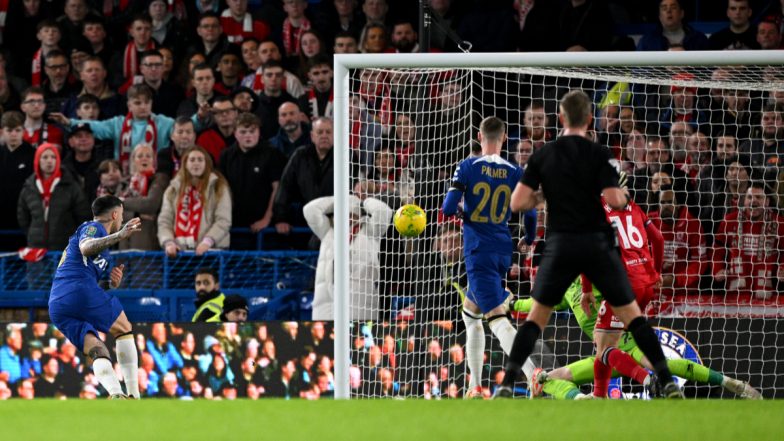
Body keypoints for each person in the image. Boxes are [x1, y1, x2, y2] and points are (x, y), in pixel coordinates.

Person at [494, 90, 681, 398]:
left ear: (561, 118)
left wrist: (547, 194)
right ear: (590, 119)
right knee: (634, 318)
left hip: (561, 246)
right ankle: (667, 380)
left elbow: (518, 203)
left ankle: (505, 383)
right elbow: (614, 200)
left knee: (535, 320)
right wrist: (616, 194)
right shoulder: (600, 153)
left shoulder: (544, 154)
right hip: (596, 247)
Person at [510, 278, 762, 400]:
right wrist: (511, 304)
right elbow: (536, 303)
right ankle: (580, 400)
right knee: (549, 378)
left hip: (629, 343)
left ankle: (731, 383)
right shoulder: (566, 289)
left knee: (659, 363)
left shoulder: (598, 276)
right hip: (604, 355)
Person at [441, 116, 526, 398]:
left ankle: (532, 372)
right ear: (504, 138)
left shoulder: (468, 166)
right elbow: (533, 211)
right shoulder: (515, 170)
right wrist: (531, 236)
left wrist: (465, 213)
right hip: (503, 248)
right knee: (470, 314)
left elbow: (447, 208)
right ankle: (475, 386)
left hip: (478, 251)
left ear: (479, 136)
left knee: (497, 319)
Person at [48, 195, 142, 399]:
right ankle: (134, 395)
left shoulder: (103, 252)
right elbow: (86, 247)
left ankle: (117, 395)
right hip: (77, 288)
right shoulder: (93, 227)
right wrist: (120, 235)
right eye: (122, 214)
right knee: (124, 328)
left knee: (97, 349)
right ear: (115, 214)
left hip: (58, 304)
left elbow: (96, 283)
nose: (122, 219)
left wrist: (111, 283)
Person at [304, 193, 393, 320]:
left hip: (360, 304)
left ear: (358, 215)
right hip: (326, 305)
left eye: (351, 214)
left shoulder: (370, 231)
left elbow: (383, 211)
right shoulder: (328, 232)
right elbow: (310, 210)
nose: (347, 218)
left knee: (358, 339)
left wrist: (363, 201)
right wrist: (339, 200)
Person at [219, 112, 287, 249]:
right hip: (234, 225)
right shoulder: (226, 156)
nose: (248, 135)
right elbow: (221, 188)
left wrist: (267, 219)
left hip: (265, 227)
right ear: (235, 133)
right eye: (243, 132)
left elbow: (277, 188)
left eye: (252, 131)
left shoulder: (272, 153)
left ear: (259, 132)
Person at [713, 182, 784, 299]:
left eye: (759, 197)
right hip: (734, 295)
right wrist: (718, 269)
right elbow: (717, 250)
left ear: (767, 202)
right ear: (744, 200)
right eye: (749, 197)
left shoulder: (780, 224)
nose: (753, 201)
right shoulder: (729, 221)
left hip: (768, 295)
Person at [157, 146, 232, 257]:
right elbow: (164, 220)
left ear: (207, 163)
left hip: (211, 251)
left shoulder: (218, 187)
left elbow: (223, 220)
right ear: (185, 164)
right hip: (179, 253)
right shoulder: (173, 189)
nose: (196, 163)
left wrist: (208, 242)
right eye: (192, 160)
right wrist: (168, 242)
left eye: (200, 160)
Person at [17, 143, 92, 252]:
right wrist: (33, 233)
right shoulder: (29, 187)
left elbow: (83, 215)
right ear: (38, 160)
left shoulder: (71, 186)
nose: (49, 161)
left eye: (53, 157)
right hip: (36, 248)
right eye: (45, 157)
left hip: (65, 248)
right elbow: (23, 217)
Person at [0, 111, 35, 250]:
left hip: (24, 222)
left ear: (23, 131)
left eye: (17, 130)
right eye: (9, 130)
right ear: (2, 131)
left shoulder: (33, 154)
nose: (13, 134)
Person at [636, 0, 708, 51]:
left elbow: (710, 69)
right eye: (664, 8)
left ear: (681, 13)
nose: (668, 11)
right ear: (660, 17)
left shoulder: (699, 39)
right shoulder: (647, 41)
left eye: (673, 7)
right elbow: (638, 70)